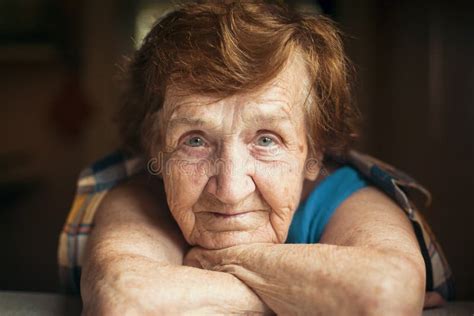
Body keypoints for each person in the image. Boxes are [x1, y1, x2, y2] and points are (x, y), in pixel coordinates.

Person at [59, 1, 454, 314]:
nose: (229, 190)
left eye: (267, 140)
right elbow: (127, 302)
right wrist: (312, 298)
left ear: (314, 151)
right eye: (195, 140)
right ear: (156, 149)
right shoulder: (140, 196)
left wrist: (206, 271)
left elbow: (382, 295)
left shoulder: (346, 198)